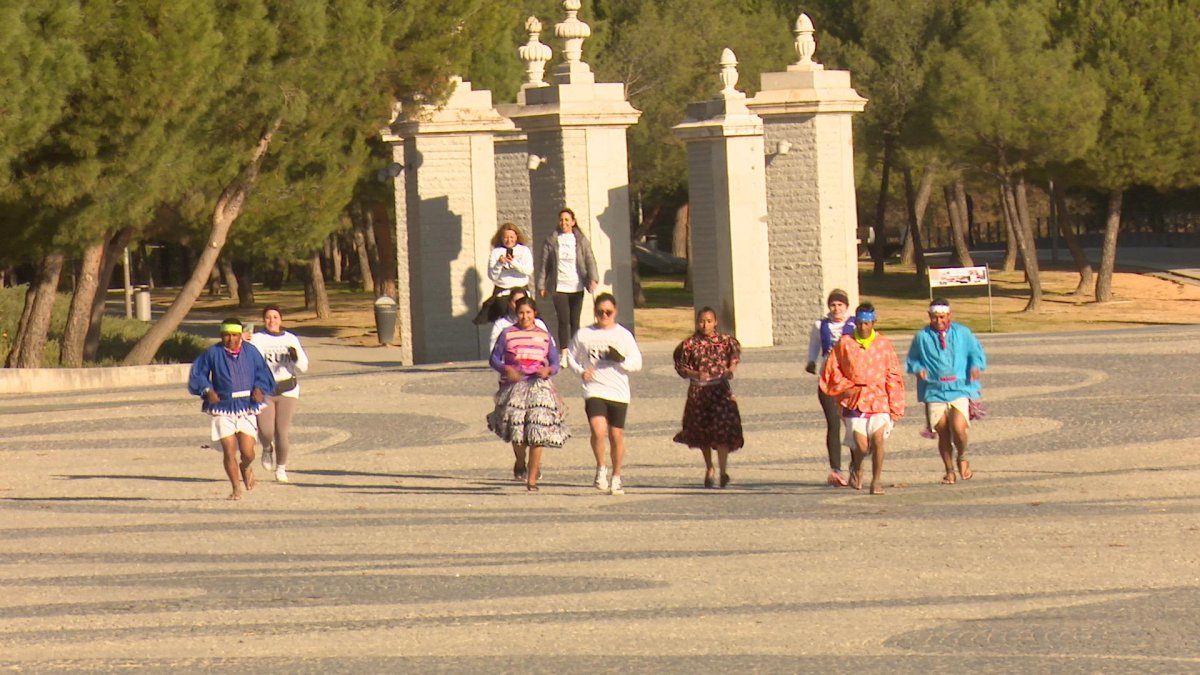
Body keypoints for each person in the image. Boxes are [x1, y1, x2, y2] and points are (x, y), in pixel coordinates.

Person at [819, 303, 905, 495]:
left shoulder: (884, 345)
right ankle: (857, 465)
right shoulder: (845, 343)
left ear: (873, 322)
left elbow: (893, 374)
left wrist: (895, 403)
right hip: (854, 401)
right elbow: (832, 370)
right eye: (859, 323)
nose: (863, 327)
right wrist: (844, 387)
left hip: (878, 399)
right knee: (862, 446)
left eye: (867, 323)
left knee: (878, 440)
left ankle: (876, 481)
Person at [187, 318, 276, 500]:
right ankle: (236, 487)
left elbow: (263, 373)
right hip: (223, 407)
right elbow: (198, 374)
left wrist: (259, 388)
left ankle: (246, 466)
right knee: (229, 449)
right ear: (221, 335)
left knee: (247, 452)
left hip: (246, 407)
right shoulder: (212, 353)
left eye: (234, 335)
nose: (230, 339)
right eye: (226, 335)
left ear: (240, 335)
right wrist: (207, 390)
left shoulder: (251, 352)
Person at [487, 297, 570, 491]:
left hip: (538, 386)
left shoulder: (544, 335)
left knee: (537, 430)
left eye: (529, 313)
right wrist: (506, 369)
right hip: (515, 386)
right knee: (517, 432)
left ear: (535, 314)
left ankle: (532, 478)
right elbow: (494, 359)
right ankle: (520, 460)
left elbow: (555, 362)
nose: (525, 317)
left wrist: (548, 371)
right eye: (522, 313)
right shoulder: (507, 334)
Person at [567, 293, 643, 495]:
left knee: (616, 434)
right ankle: (601, 467)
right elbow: (570, 357)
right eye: (600, 312)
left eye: (608, 312)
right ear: (595, 312)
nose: (604, 315)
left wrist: (620, 359)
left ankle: (617, 476)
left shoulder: (623, 335)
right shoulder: (584, 334)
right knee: (598, 430)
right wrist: (581, 372)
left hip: (618, 391)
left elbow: (637, 362)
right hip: (594, 388)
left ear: (615, 312)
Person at [905, 298, 987, 484]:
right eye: (934, 318)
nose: (938, 321)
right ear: (929, 316)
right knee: (942, 430)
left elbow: (975, 352)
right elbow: (912, 359)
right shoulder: (922, 336)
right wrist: (919, 369)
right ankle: (949, 470)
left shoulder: (963, 333)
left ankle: (962, 456)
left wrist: (975, 366)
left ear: (949, 315)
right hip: (934, 390)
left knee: (958, 428)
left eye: (942, 317)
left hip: (960, 387)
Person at [673, 307, 744, 488]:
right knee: (702, 432)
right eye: (702, 321)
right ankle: (709, 467)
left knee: (722, 430)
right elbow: (681, 366)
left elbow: (734, 357)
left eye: (709, 321)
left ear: (715, 322)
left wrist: (730, 370)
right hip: (699, 392)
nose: (705, 325)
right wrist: (695, 373)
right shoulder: (689, 345)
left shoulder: (725, 342)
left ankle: (723, 471)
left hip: (719, 390)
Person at [250, 305, 310, 483]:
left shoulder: (290, 338)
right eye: (268, 317)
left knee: (282, 431)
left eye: (275, 317)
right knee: (266, 430)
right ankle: (267, 448)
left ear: (281, 320)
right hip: (265, 389)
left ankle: (281, 468)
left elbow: (304, 366)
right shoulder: (256, 339)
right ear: (264, 320)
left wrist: (295, 357)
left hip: (287, 389)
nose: (272, 321)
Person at [805, 289, 856, 487]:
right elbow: (814, 345)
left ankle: (856, 466)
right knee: (833, 424)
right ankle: (835, 469)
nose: (836, 309)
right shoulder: (820, 325)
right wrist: (811, 361)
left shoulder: (854, 325)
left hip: (849, 380)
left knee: (853, 424)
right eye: (833, 305)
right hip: (828, 380)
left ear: (846, 306)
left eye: (840, 305)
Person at [538, 207, 599, 347]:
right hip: (559, 286)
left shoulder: (581, 240)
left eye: (567, 220)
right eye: (561, 220)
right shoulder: (552, 240)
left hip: (576, 286)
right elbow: (544, 264)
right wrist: (541, 285)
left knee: (575, 321)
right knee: (563, 320)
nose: (564, 222)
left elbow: (590, 259)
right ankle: (564, 351)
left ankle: (576, 350)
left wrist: (593, 278)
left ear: (573, 222)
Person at [474, 222, 534, 325]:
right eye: (506, 237)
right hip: (503, 293)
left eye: (511, 237)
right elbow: (492, 276)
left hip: (521, 291)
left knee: (525, 318)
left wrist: (513, 262)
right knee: (505, 320)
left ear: (517, 237)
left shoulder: (524, 251)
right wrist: (499, 264)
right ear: (501, 238)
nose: (509, 240)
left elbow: (528, 270)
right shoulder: (496, 252)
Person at [489, 287, 549, 352]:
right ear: (509, 303)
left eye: (522, 301)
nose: (519, 305)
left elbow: (549, 347)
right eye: (516, 302)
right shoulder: (501, 324)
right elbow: (494, 351)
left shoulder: (538, 324)